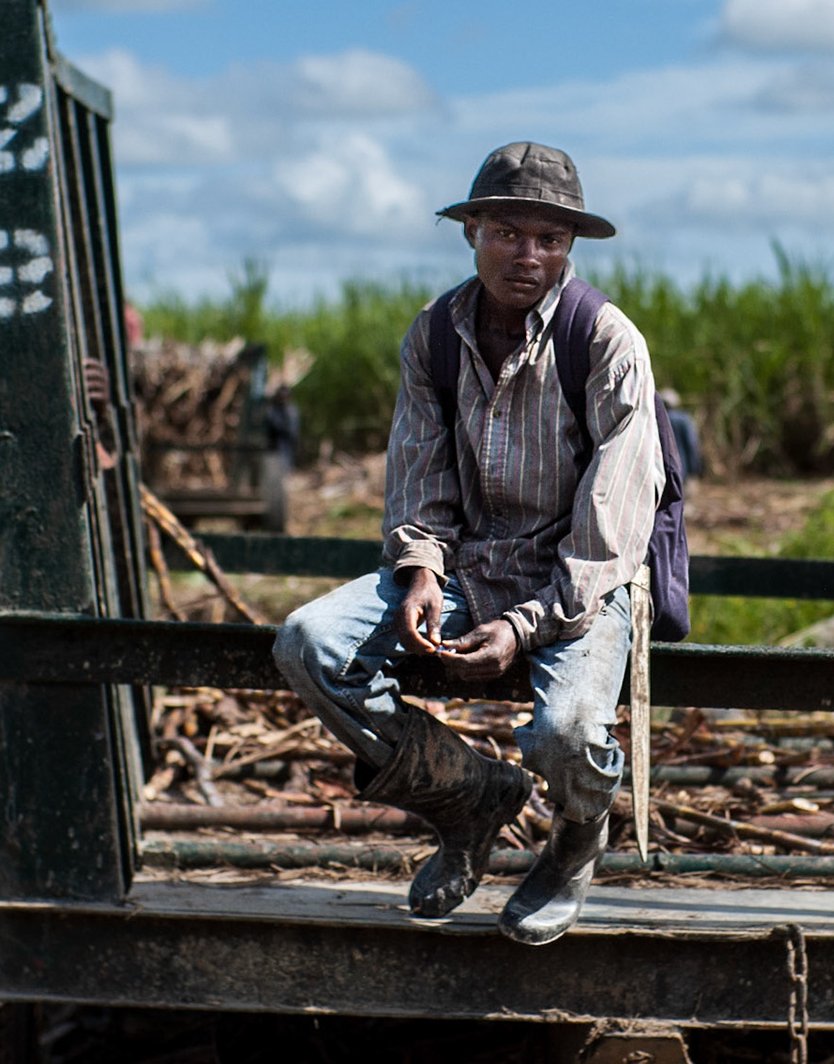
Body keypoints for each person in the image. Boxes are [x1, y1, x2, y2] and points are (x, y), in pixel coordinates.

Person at [275, 141, 665, 946]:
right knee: (309, 643)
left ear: (571, 247)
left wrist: (526, 627)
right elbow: (419, 475)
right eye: (508, 232)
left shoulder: (604, 340)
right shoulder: (435, 335)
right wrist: (419, 568)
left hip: (581, 579)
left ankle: (573, 843)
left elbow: (610, 529)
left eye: (551, 239)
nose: (530, 255)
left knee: (566, 734)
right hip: (469, 564)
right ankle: (469, 796)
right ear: (471, 232)